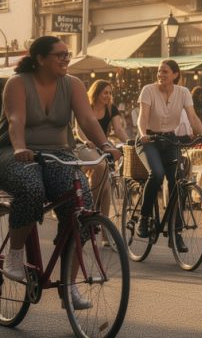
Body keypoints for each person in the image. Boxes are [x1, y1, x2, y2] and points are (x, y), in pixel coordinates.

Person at [0, 36, 122, 309]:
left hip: (58, 153)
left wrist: (105, 144)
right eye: (60, 55)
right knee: (32, 188)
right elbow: (16, 119)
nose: (66, 59)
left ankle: (70, 286)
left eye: (68, 55)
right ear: (40, 59)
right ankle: (15, 254)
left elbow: (88, 119)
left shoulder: (73, 84)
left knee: (82, 208)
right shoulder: (17, 83)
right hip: (15, 152)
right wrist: (20, 147)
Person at [135, 60, 202, 246]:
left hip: (169, 140)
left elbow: (192, 117)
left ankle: (175, 231)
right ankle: (143, 218)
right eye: (159, 71)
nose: (161, 75)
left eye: (165, 72)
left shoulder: (183, 93)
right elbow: (143, 117)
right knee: (157, 174)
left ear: (175, 74)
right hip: (149, 140)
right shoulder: (148, 90)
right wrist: (143, 134)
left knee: (179, 181)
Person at [75, 79, 130, 221]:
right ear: (97, 92)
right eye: (105, 92)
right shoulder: (86, 106)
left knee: (105, 189)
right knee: (99, 166)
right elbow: (78, 129)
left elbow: (118, 129)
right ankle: (91, 209)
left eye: (110, 93)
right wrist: (86, 141)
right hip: (84, 146)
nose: (108, 96)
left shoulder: (111, 108)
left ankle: (104, 231)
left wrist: (129, 143)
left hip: (102, 147)